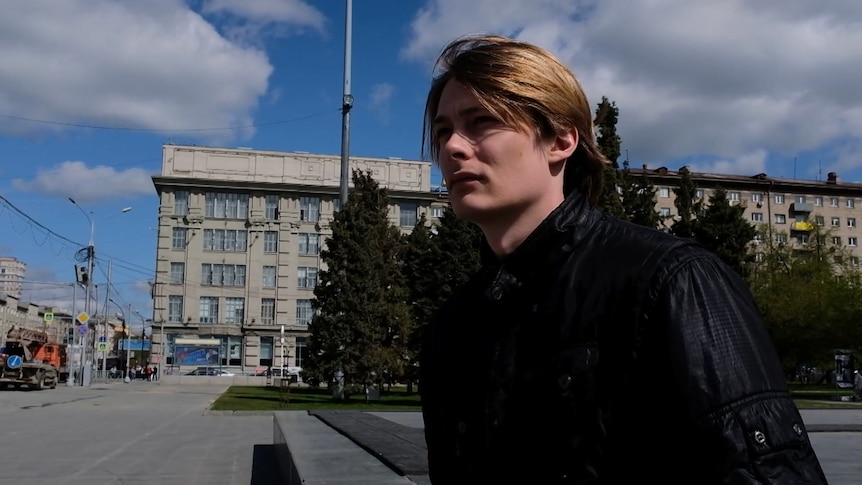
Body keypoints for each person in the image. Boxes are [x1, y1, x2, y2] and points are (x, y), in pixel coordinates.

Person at [419, 34, 827, 484]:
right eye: (442, 131)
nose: (452, 147)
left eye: (480, 122)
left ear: (561, 140)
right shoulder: (454, 324)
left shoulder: (673, 280)